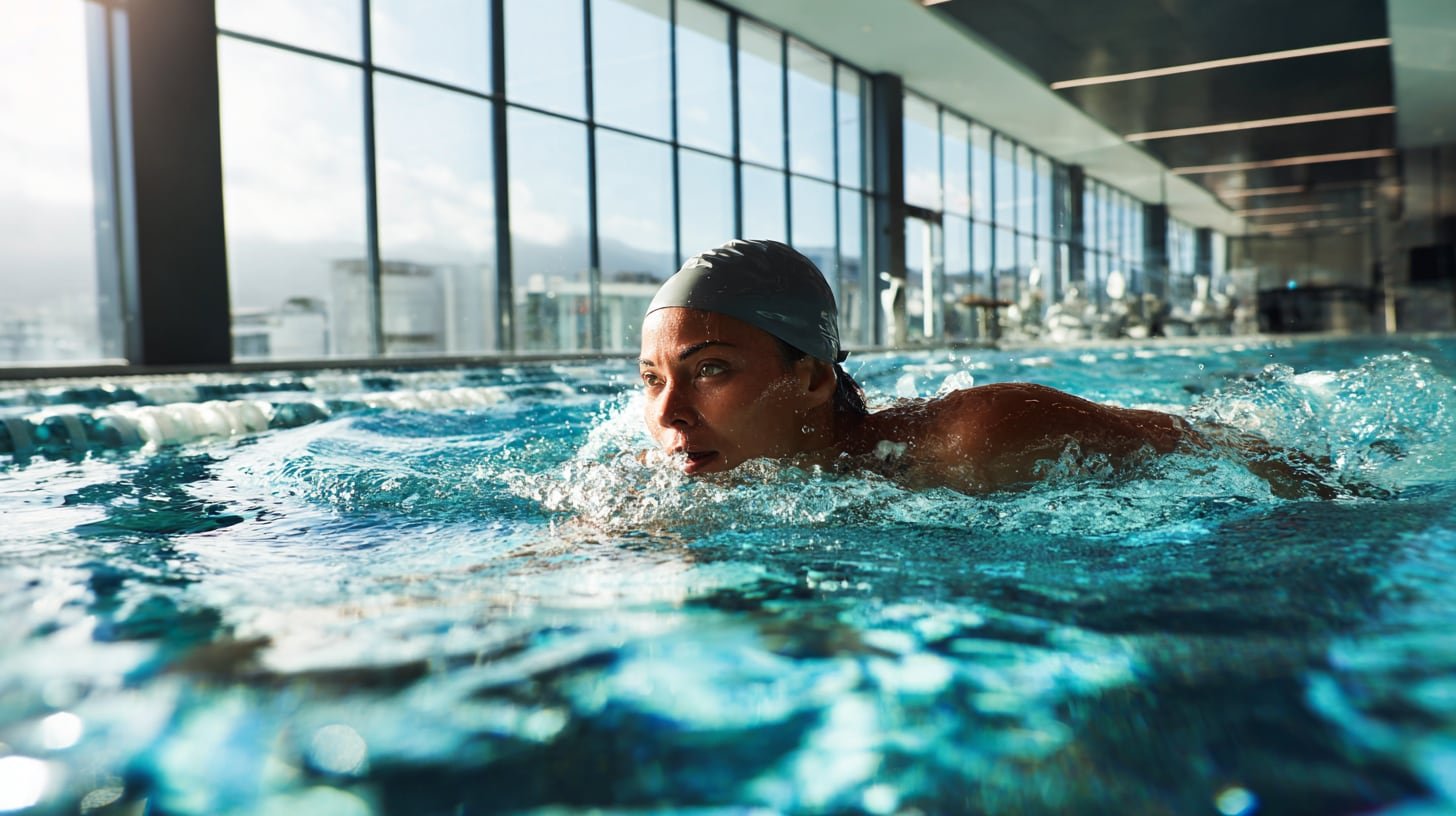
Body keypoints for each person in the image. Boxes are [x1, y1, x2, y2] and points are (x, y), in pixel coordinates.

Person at [637, 239, 1320, 496]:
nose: (668, 414)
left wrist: (1338, 503)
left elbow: (1200, 442)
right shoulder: (656, 477)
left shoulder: (975, 440)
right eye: (652, 379)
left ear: (814, 377)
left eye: (712, 369)